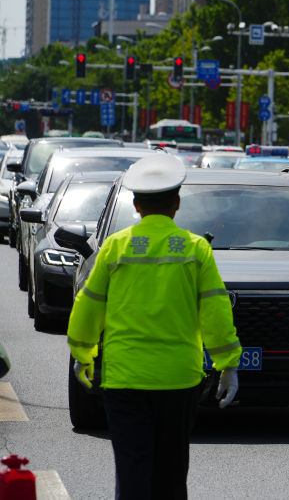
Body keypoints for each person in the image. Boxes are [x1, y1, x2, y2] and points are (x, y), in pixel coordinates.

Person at [66, 154, 242, 499]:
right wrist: (227, 366)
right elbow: (216, 311)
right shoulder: (195, 249)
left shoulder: (115, 247)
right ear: (177, 204)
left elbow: (88, 306)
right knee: (172, 473)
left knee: (132, 469)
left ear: (136, 205)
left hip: (124, 380)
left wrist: (83, 354)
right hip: (179, 381)